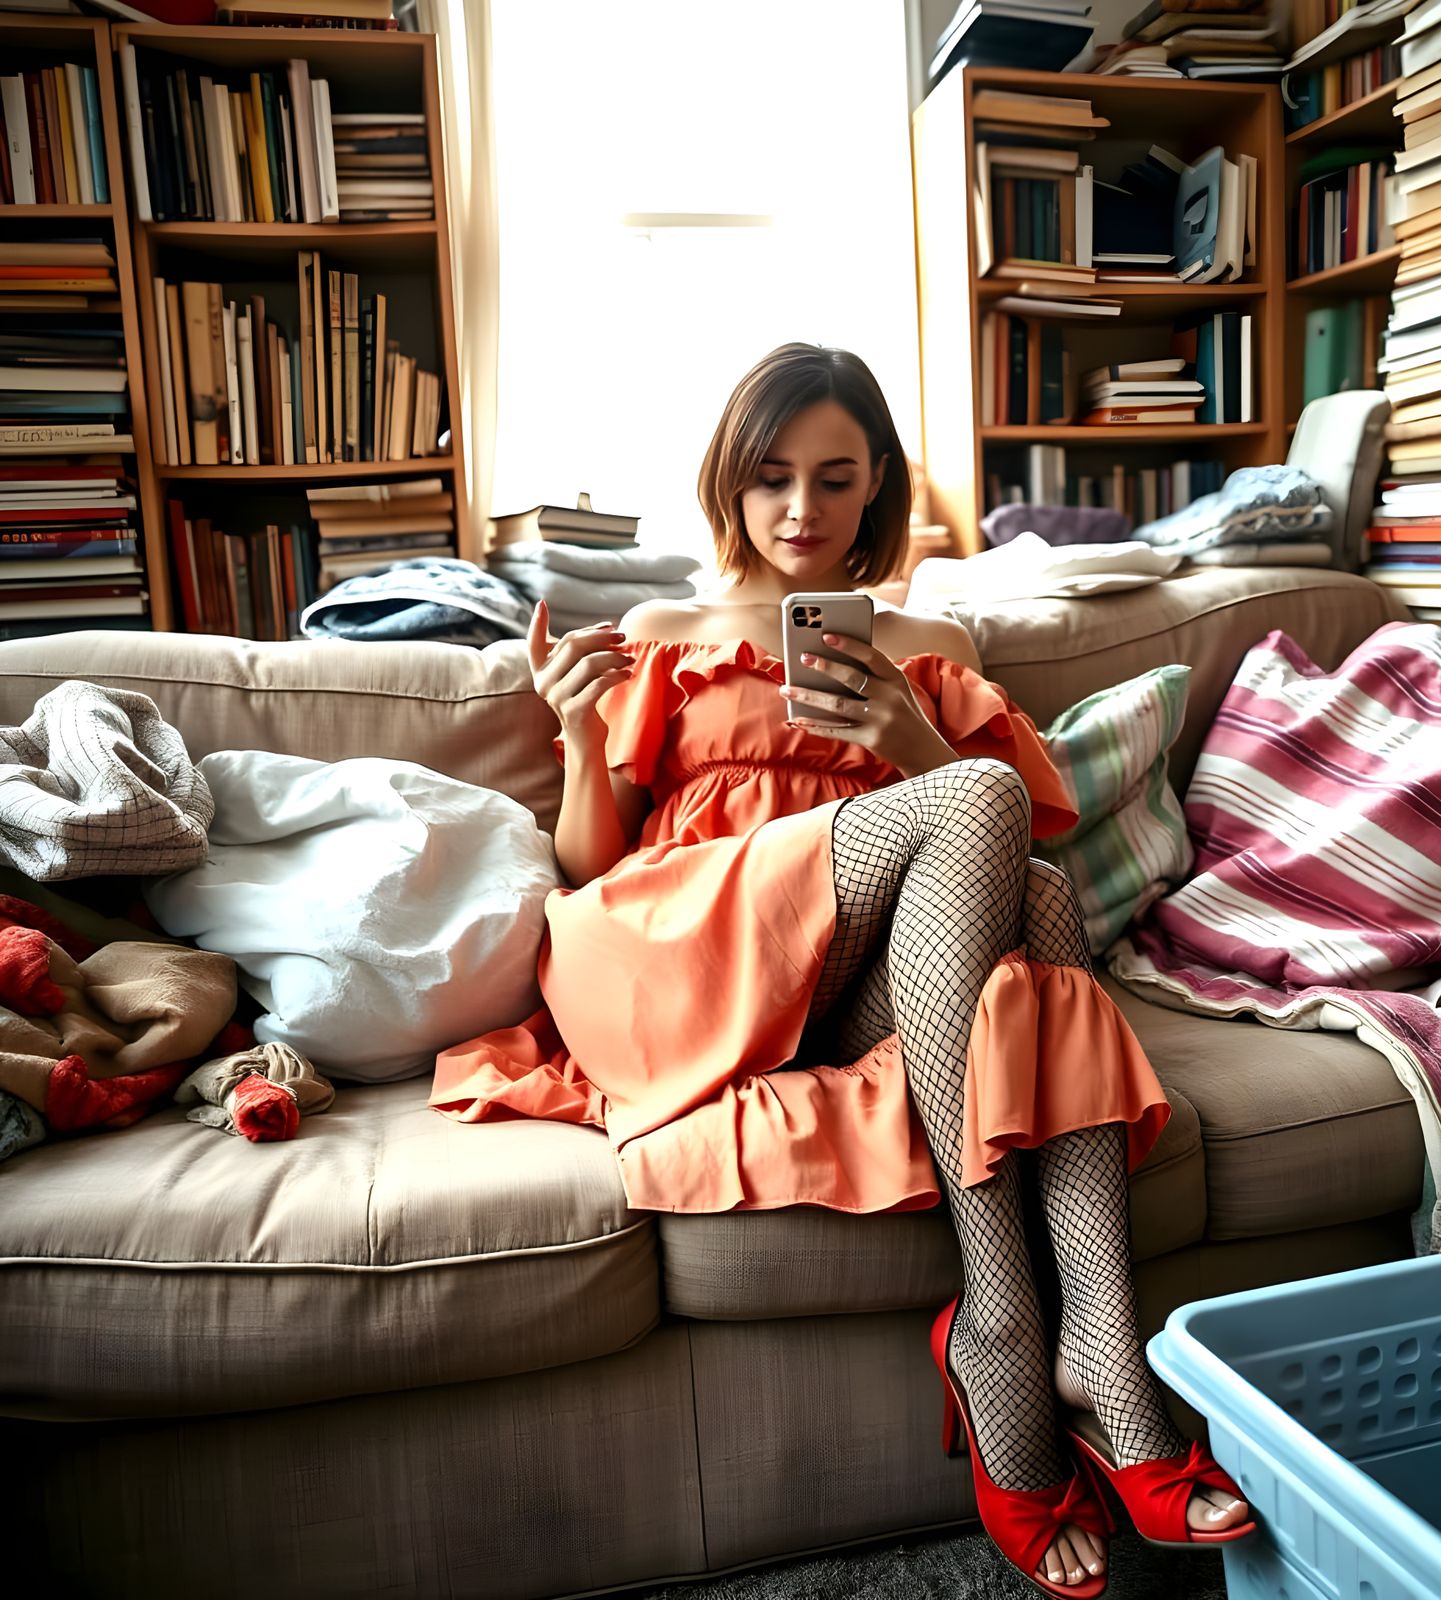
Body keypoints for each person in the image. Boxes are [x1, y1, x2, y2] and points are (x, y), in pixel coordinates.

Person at [432, 344, 1253, 1595]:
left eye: (833, 477)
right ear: (730, 482)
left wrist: (910, 735)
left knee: (1032, 893)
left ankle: (1057, 1336)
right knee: (987, 817)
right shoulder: (664, 631)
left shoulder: (927, 641)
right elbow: (592, 867)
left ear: (876, 484)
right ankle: (1033, 1335)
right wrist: (580, 733)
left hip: (853, 981)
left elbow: (996, 854)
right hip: (684, 954)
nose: (800, 509)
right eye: (771, 477)